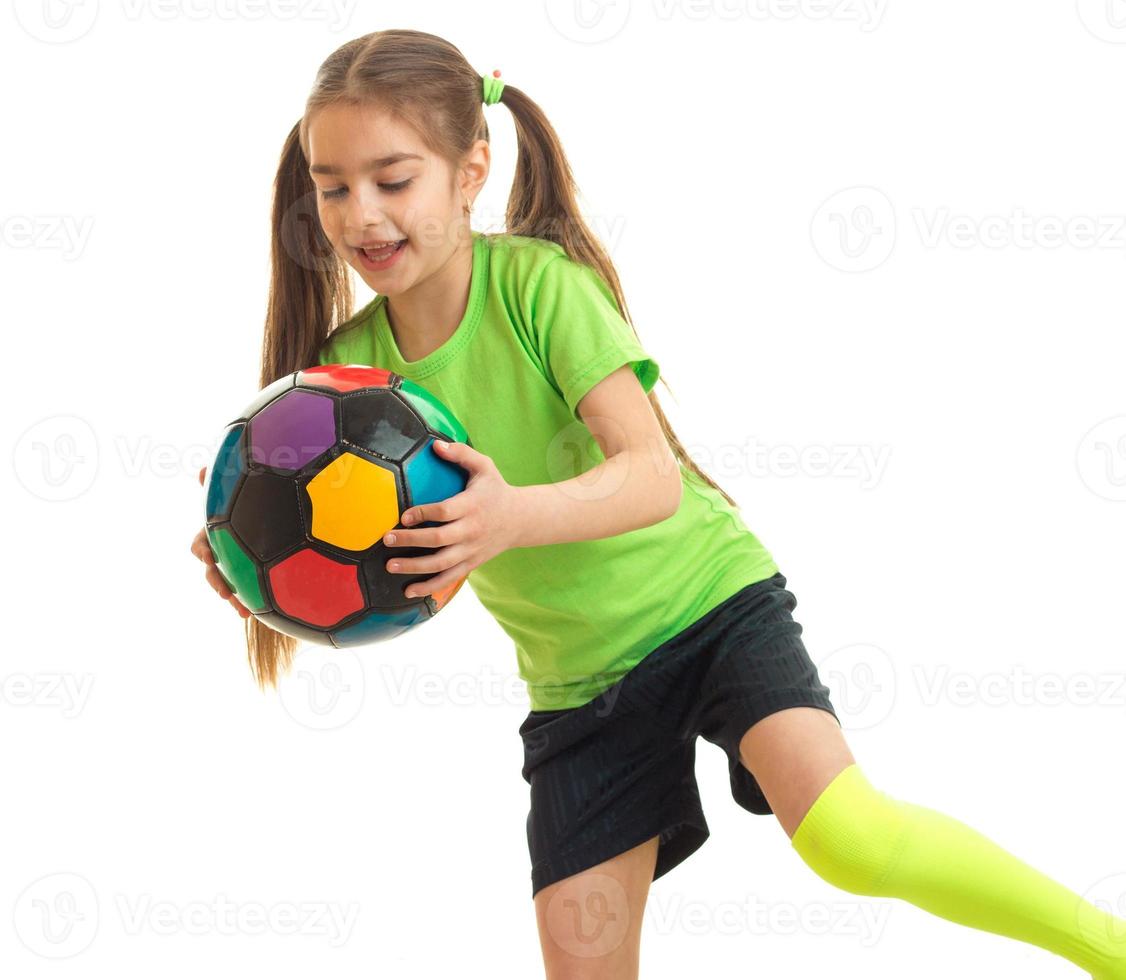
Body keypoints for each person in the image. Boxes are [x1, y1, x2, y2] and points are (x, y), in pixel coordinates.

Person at [188, 28, 1126, 980]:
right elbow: (358, 551)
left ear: (470, 170)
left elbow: (650, 475)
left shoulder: (537, 289)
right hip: (581, 685)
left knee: (850, 837)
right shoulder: (346, 380)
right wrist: (255, 559)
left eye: (394, 180)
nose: (362, 215)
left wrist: (509, 516)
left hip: (711, 605)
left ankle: (1112, 949)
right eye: (333, 185)